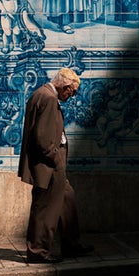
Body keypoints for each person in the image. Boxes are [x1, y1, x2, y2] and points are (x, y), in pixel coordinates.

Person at [17, 67, 94, 264]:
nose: (72, 95)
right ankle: (38, 250)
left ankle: (72, 243)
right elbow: (42, 139)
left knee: (66, 198)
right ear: (64, 85)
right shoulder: (49, 98)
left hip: (51, 164)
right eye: (72, 91)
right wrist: (56, 158)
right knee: (45, 208)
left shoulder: (41, 93)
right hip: (49, 165)